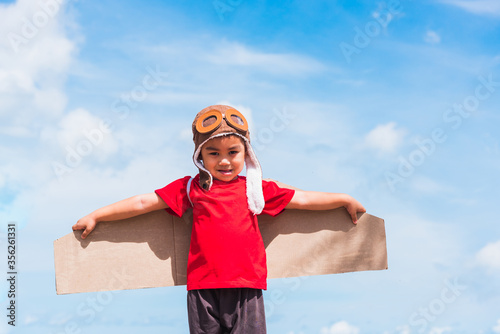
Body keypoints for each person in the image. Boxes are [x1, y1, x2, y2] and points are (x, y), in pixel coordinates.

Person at [72, 105, 366, 334]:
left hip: (246, 288)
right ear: (201, 156)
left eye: (232, 152)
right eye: (213, 153)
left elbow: (301, 199)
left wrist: (344, 199)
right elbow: (142, 202)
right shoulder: (192, 187)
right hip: (203, 289)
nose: (224, 160)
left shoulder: (255, 188)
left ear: (246, 153)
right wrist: (96, 215)